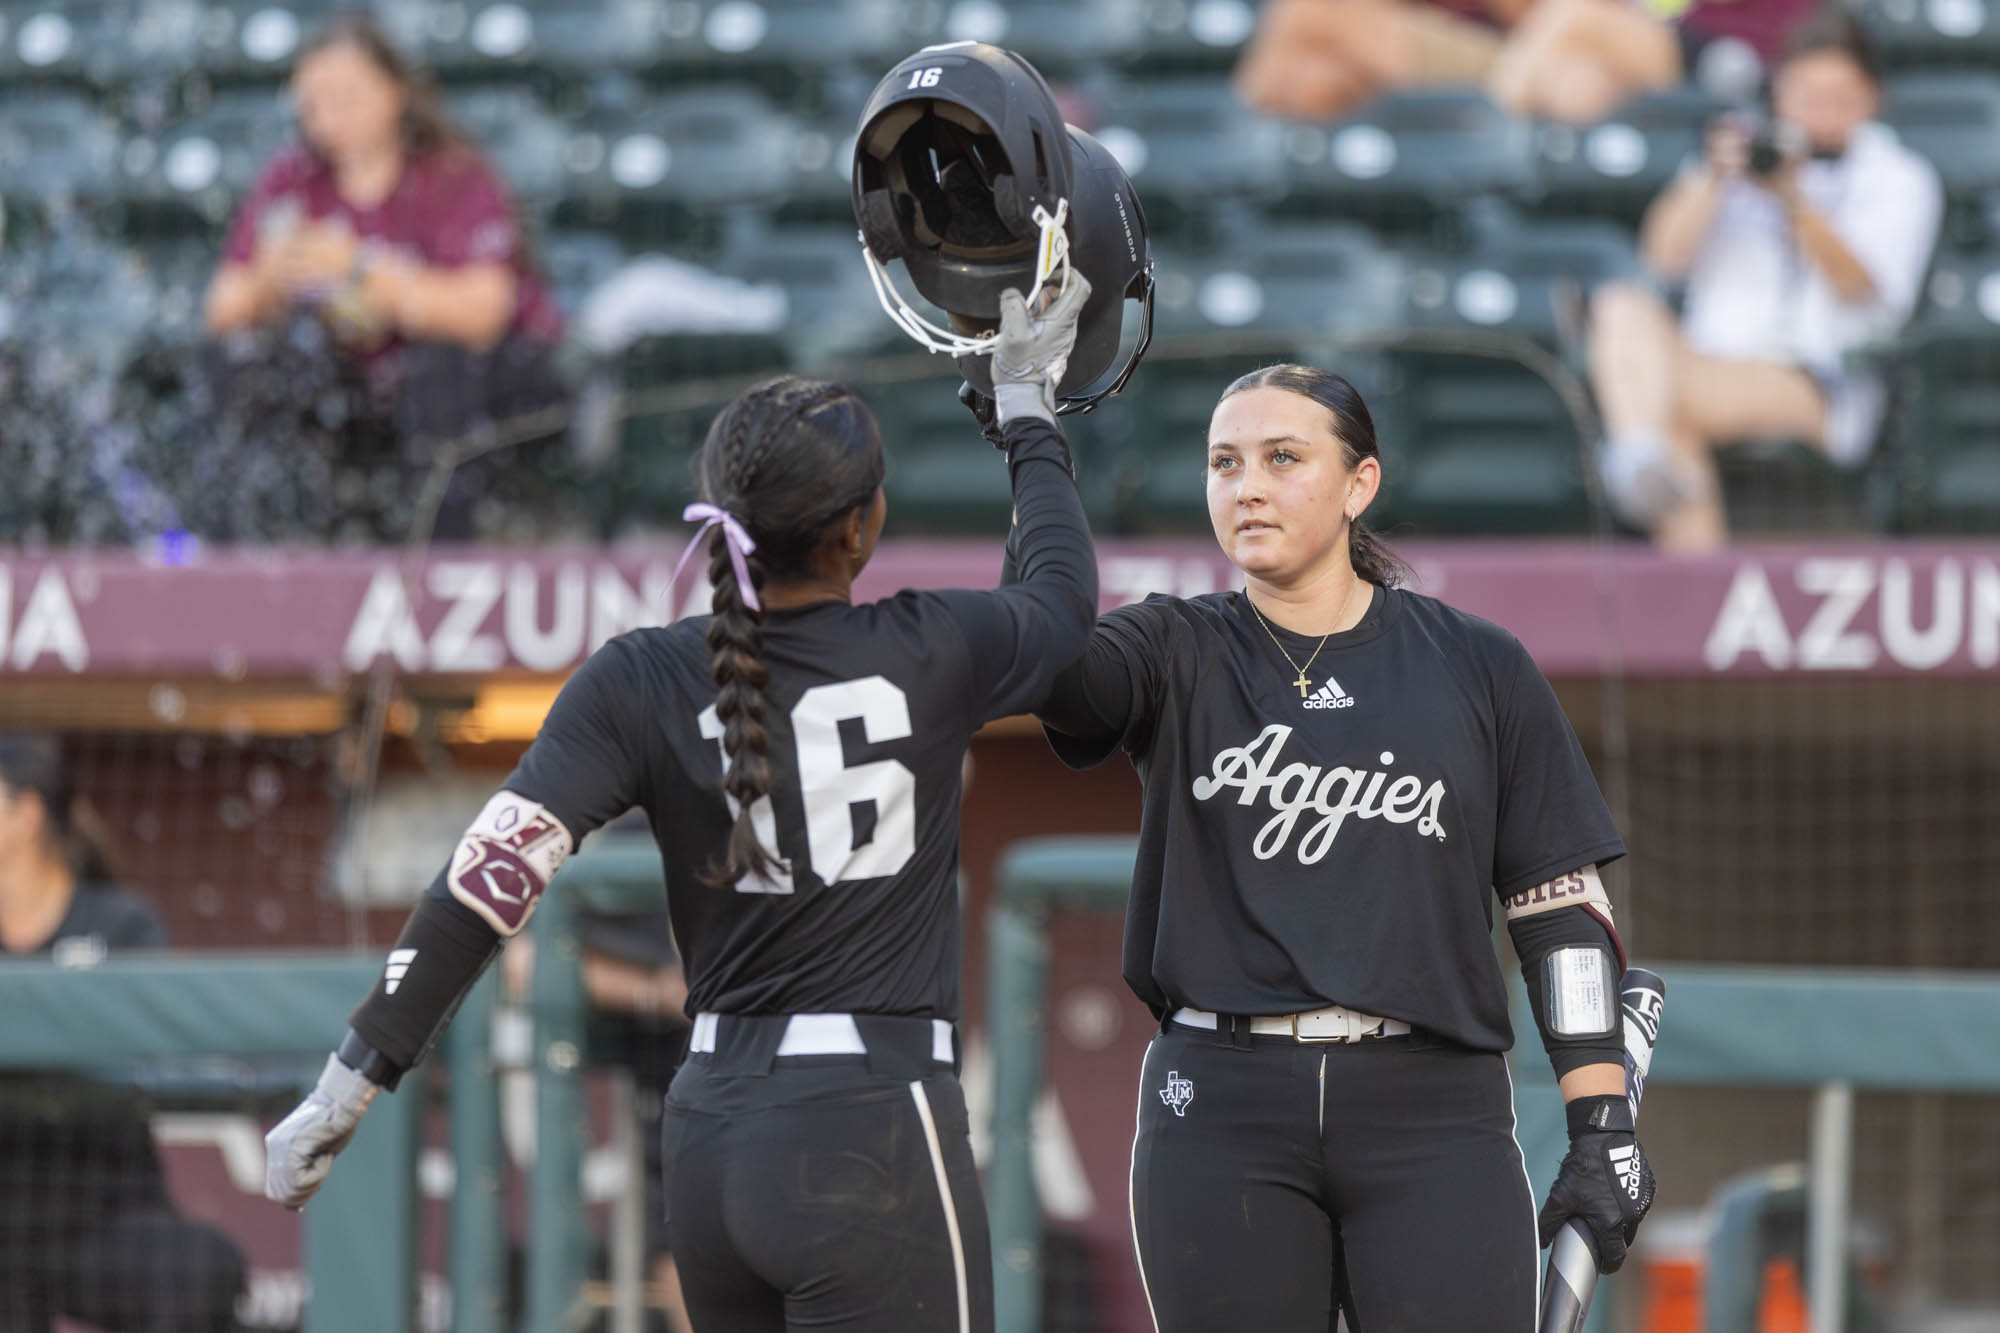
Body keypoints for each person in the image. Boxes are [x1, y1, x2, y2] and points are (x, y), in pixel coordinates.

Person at [261, 276, 1101, 1333]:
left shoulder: (635, 675)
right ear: (858, 530)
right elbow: (1065, 599)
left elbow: (489, 876)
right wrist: (1024, 415)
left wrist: (354, 1074)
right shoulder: (931, 646)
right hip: (868, 1126)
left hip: (710, 1135)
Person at [1005, 364, 1655, 1331]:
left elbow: (1558, 909)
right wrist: (1034, 448)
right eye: (1223, 462)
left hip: (1431, 1109)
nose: (1246, 485)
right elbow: (1051, 659)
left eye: (1282, 458)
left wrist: (1603, 1124)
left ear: (1360, 485)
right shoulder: (1171, 646)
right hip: (1221, 1104)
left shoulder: (1478, 663)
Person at [202, 15, 568, 539]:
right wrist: (273, 276)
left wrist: (359, 269)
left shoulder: (453, 176)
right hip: (356, 388)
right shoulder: (292, 180)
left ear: (395, 92)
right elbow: (222, 309)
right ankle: (256, 554)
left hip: (480, 387)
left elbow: (484, 314)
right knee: (248, 370)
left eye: (346, 96)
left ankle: (443, 565)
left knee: (443, 373)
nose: (329, 117)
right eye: (313, 103)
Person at [1589, 12, 1942, 550]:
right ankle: (1691, 580)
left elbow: (1862, 287)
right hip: (1703, 362)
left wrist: (1793, 199)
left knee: (1652, 400)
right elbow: (1660, 258)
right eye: (1806, 94)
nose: (1819, 111)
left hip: (1814, 382)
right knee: (1620, 308)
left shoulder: (1899, 177)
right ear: (1780, 90)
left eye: (1837, 97)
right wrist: (1712, 178)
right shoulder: (1737, 149)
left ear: (1870, 98)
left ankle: (1634, 453)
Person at [0, 736, 248, 1333]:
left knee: (200, 1272)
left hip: (105, 1209)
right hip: (3, 1220)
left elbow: (150, 1047)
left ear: (27, 814)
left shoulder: (120, 922)